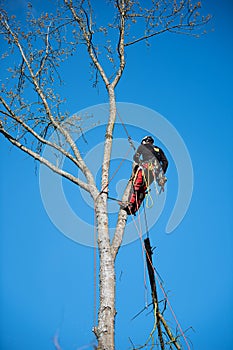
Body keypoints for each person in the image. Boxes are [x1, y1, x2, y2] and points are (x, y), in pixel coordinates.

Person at [123, 135, 168, 215]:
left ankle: (130, 205)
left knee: (136, 185)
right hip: (154, 173)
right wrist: (161, 173)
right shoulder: (158, 149)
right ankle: (134, 209)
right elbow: (165, 162)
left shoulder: (142, 146)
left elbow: (135, 157)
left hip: (145, 168)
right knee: (143, 188)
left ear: (144, 141)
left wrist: (139, 161)